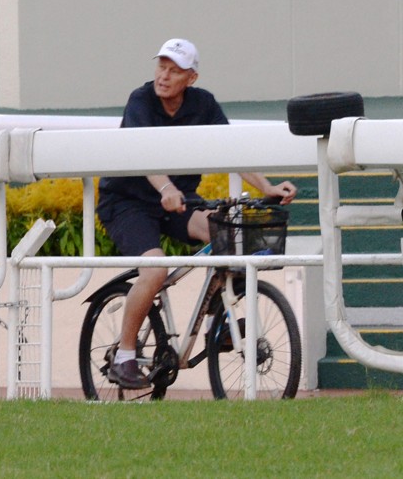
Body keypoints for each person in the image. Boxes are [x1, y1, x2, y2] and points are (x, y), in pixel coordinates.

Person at [94, 38, 297, 389]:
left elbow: (229, 149)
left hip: (179, 200)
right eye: (161, 67)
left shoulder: (204, 104)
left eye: (175, 71)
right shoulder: (140, 101)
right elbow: (141, 153)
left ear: (192, 78)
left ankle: (219, 322)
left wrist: (268, 188)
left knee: (225, 233)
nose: (164, 76)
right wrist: (166, 189)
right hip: (128, 201)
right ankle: (125, 357)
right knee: (154, 267)